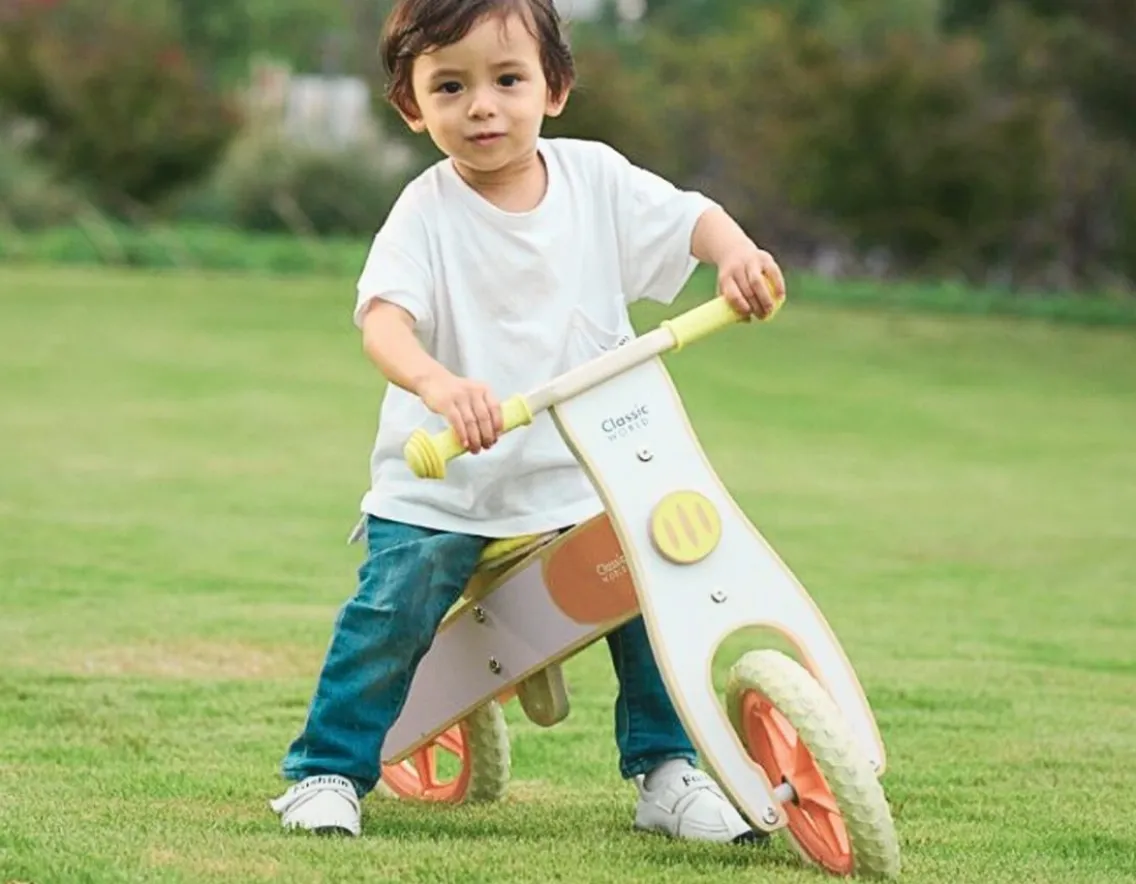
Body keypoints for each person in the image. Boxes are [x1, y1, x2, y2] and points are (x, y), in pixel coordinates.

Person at [270, 0, 786, 842]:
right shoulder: (425, 213)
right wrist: (440, 386)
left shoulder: (596, 181)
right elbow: (384, 323)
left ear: (556, 88)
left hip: (583, 479)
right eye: (450, 86)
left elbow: (693, 217)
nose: (482, 105)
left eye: (508, 79)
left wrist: (736, 255)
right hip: (446, 482)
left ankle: (667, 771)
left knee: (657, 578)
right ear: (412, 107)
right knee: (391, 607)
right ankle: (326, 771)